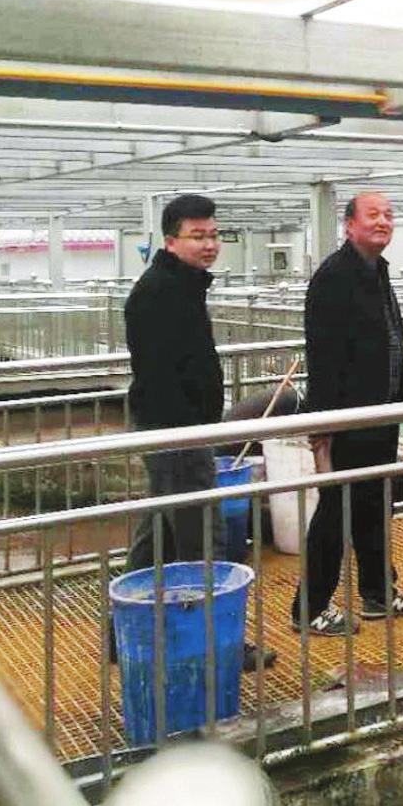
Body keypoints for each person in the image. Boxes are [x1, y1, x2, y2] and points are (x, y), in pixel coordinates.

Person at [123, 194, 274, 669]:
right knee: (202, 537)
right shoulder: (158, 294)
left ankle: (121, 631)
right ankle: (215, 644)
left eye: (213, 235)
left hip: (175, 429)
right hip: (176, 432)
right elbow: (161, 374)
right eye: (197, 236)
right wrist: (187, 433)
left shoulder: (181, 286)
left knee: (157, 534)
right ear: (171, 240)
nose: (209, 244)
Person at [291, 192, 403, 636]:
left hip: (380, 414)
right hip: (348, 418)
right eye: (373, 215)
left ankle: (377, 591)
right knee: (336, 509)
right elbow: (324, 356)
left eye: (388, 215)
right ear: (349, 225)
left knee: (373, 506)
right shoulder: (334, 277)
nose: (383, 221)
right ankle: (309, 606)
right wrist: (324, 423)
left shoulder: (376, 271)